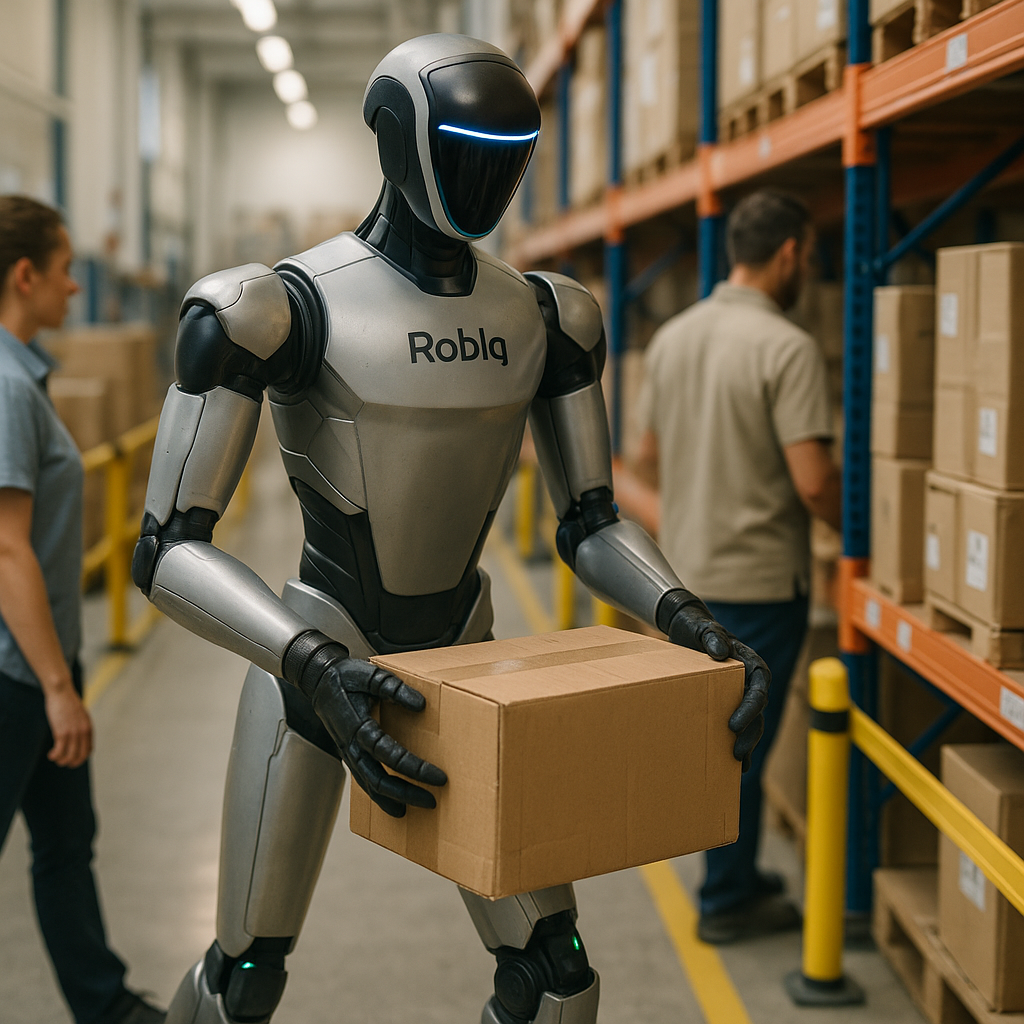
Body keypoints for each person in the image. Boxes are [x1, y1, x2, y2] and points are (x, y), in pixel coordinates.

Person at [133, 34, 771, 1024]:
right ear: (397, 136)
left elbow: (589, 522)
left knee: (557, 979)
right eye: (465, 151)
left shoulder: (545, 314)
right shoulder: (275, 307)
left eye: (506, 157)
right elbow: (167, 546)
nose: (485, 180)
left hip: (463, 679)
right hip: (313, 667)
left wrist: (689, 621)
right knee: (244, 976)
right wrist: (307, 662)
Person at [636, 189, 842, 945]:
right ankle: (726, 899)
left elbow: (644, 459)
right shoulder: (786, 346)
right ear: (789, 253)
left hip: (686, 583)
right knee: (742, 745)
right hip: (760, 582)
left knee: (717, 744)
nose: (808, 272)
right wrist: (869, 538)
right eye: (809, 257)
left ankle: (737, 878)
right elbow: (814, 483)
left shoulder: (674, 338)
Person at [0, 195, 166, 1024]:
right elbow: (6, 550)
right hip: (16, 675)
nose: (75, 287)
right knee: (60, 847)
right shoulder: (5, 388)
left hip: (42, 662)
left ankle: (107, 1008)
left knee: (67, 846)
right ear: (24, 275)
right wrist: (59, 689)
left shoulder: (23, 376)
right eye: (66, 271)